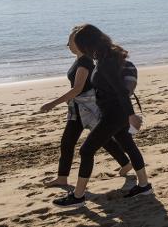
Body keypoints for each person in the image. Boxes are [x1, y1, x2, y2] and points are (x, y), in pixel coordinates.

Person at [52, 24, 152, 209]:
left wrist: (131, 115)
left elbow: (121, 91)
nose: (77, 47)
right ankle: (144, 185)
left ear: (87, 44)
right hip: (113, 112)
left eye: (78, 43)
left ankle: (78, 196)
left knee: (86, 150)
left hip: (114, 114)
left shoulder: (106, 62)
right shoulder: (106, 56)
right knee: (128, 145)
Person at [39, 26, 134, 188]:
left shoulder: (84, 62)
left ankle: (126, 162)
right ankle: (63, 177)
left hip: (87, 109)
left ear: (78, 42)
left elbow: (77, 88)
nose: (67, 45)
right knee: (72, 142)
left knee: (95, 140)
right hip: (78, 109)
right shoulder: (81, 60)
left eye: (70, 42)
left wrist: (52, 103)